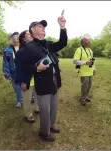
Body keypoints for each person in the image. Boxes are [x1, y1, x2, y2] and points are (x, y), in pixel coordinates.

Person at [21, 10, 67, 142]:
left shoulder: (47, 44)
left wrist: (62, 27)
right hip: (42, 84)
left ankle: (51, 126)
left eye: (44, 26)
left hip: (54, 81)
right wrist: (37, 68)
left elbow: (62, 43)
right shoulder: (29, 47)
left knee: (53, 107)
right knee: (45, 111)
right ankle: (44, 133)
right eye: (40, 26)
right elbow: (23, 67)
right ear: (32, 31)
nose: (43, 28)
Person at [15, 30, 40, 123]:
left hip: (37, 78)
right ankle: (28, 114)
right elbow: (19, 69)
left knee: (38, 96)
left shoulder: (35, 49)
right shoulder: (21, 52)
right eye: (28, 34)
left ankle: (37, 108)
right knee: (27, 99)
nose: (31, 34)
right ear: (23, 38)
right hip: (26, 80)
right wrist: (22, 82)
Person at [73, 35, 96, 105]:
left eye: (88, 40)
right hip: (83, 72)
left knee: (89, 85)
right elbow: (75, 61)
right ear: (83, 42)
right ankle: (82, 99)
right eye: (87, 40)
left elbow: (92, 61)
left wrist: (94, 69)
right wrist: (85, 62)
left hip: (90, 71)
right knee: (85, 86)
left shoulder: (90, 50)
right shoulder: (79, 50)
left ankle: (85, 97)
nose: (89, 41)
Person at [3, 32, 23, 108]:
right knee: (17, 86)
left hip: (24, 70)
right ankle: (19, 100)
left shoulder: (23, 47)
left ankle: (31, 97)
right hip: (13, 71)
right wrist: (6, 73)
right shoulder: (7, 50)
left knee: (27, 85)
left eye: (18, 36)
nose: (17, 37)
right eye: (15, 36)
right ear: (11, 39)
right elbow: (5, 63)